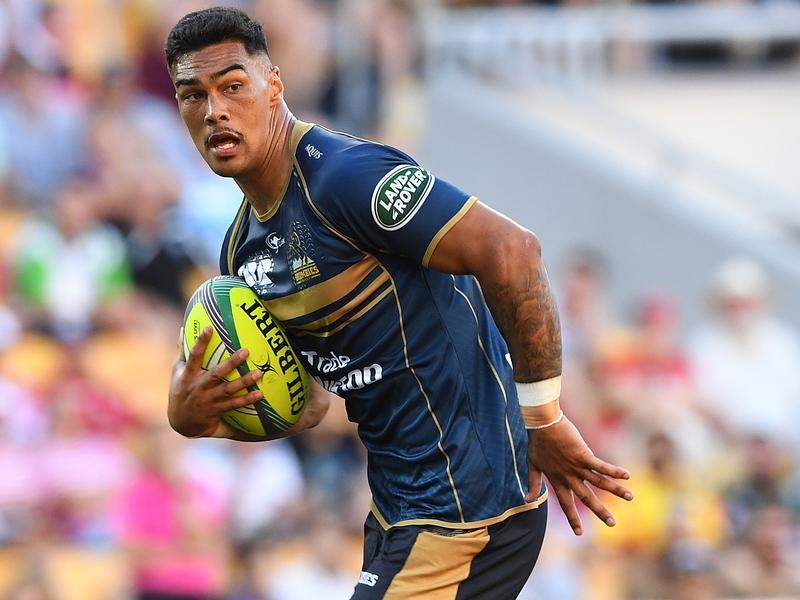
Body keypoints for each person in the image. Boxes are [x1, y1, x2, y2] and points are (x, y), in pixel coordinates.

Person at [165, 7, 633, 599]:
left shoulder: (346, 178)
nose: (214, 110)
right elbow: (308, 404)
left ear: (274, 86)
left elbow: (514, 251)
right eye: (193, 95)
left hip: (469, 506)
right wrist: (198, 417)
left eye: (233, 86)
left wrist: (544, 417)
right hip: (398, 510)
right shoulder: (242, 249)